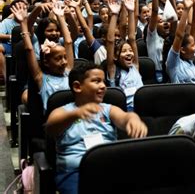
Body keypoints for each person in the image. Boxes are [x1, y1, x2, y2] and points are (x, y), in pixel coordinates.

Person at [46, 62, 148, 194]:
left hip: (111, 167)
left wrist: (134, 119)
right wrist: (75, 114)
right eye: (96, 81)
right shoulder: (64, 111)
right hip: (75, 172)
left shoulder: (107, 109)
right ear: (77, 86)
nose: (103, 86)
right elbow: (51, 128)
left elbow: (125, 117)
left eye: (104, 82)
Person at [13, 1, 74, 111]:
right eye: (58, 59)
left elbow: (68, 42)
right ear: (46, 62)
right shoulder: (41, 78)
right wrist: (23, 23)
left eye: (65, 57)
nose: (64, 62)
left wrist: (60, 17)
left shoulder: (68, 71)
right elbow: (29, 48)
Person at [106, 0, 142, 111]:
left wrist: (131, 11)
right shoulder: (113, 70)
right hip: (123, 112)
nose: (129, 53)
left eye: (130, 51)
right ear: (116, 56)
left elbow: (131, 37)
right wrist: (115, 14)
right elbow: (110, 41)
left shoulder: (135, 66)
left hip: (141, 110)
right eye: (124, 51)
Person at [166, 0, 195, 85]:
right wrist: (186, 9)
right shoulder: (174, 64)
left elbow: (194, 33)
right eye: (193, 45)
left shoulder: (190, 60)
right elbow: (179, 36)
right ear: (182, 49)